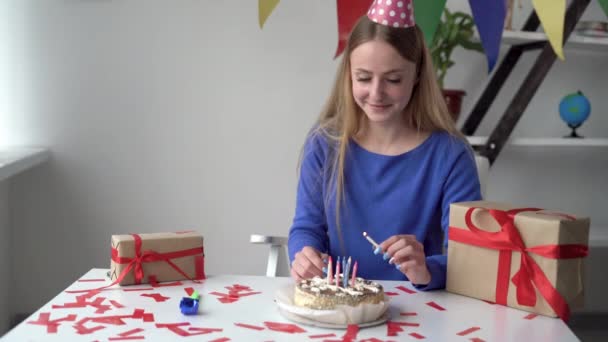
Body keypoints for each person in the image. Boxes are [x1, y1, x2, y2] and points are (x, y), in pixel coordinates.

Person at [287, 0, 482, 290]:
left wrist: (427, 269)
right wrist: (305, 256)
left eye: (393, 79)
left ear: (416, 76)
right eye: (363, 78)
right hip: (337, 305)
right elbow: (306, 228)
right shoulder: (325, 144)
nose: (376, 93)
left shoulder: (450, 154)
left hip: (419, 314)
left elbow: (469, 256)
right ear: (348, 75)